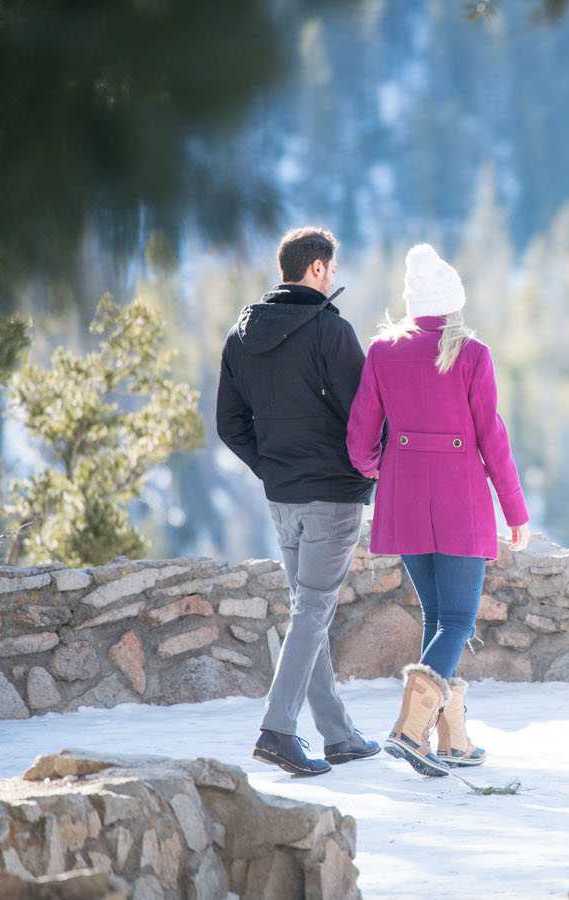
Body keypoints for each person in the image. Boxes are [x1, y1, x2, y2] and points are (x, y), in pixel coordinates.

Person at [346, 243, 531, 778]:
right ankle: (409, 731)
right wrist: (515, 510)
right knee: (458, 620)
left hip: (404, 500)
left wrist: (388, 467)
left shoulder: (383, 352)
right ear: (453, 302)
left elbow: (360, 441)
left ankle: (450, 740)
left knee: (438, 619)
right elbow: (492, 438)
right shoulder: (471, 354)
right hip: (460, 500)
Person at [216, 226, 380, 777]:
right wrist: (369, 472)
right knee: (313, 610)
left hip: (282, 496)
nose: (334, 278)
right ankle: (277, 731)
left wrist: (272, 468)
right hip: (332, 495)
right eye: (332, 269)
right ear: (316, 269)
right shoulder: (330, 332)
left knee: (308, 609)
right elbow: (365, 419)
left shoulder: (241, 336)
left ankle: (337, 735)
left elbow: (229, 424)